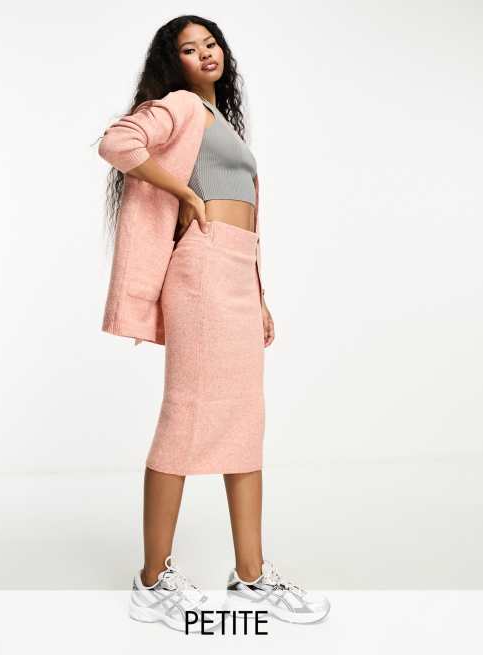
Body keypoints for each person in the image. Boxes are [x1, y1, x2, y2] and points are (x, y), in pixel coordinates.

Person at [98, 15, 330, 631]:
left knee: (245, 423)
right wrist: (183, 193)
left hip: (235, 274)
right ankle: (152, 581)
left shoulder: (219, 119)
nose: (206, 53)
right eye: (189, 48)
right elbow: (118, 143)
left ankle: (251, 575)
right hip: (201, 271)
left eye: (211, 43)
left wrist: (258, 294)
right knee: (186, 416)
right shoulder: (179, 105)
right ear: (172, 62)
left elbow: (247, 215)